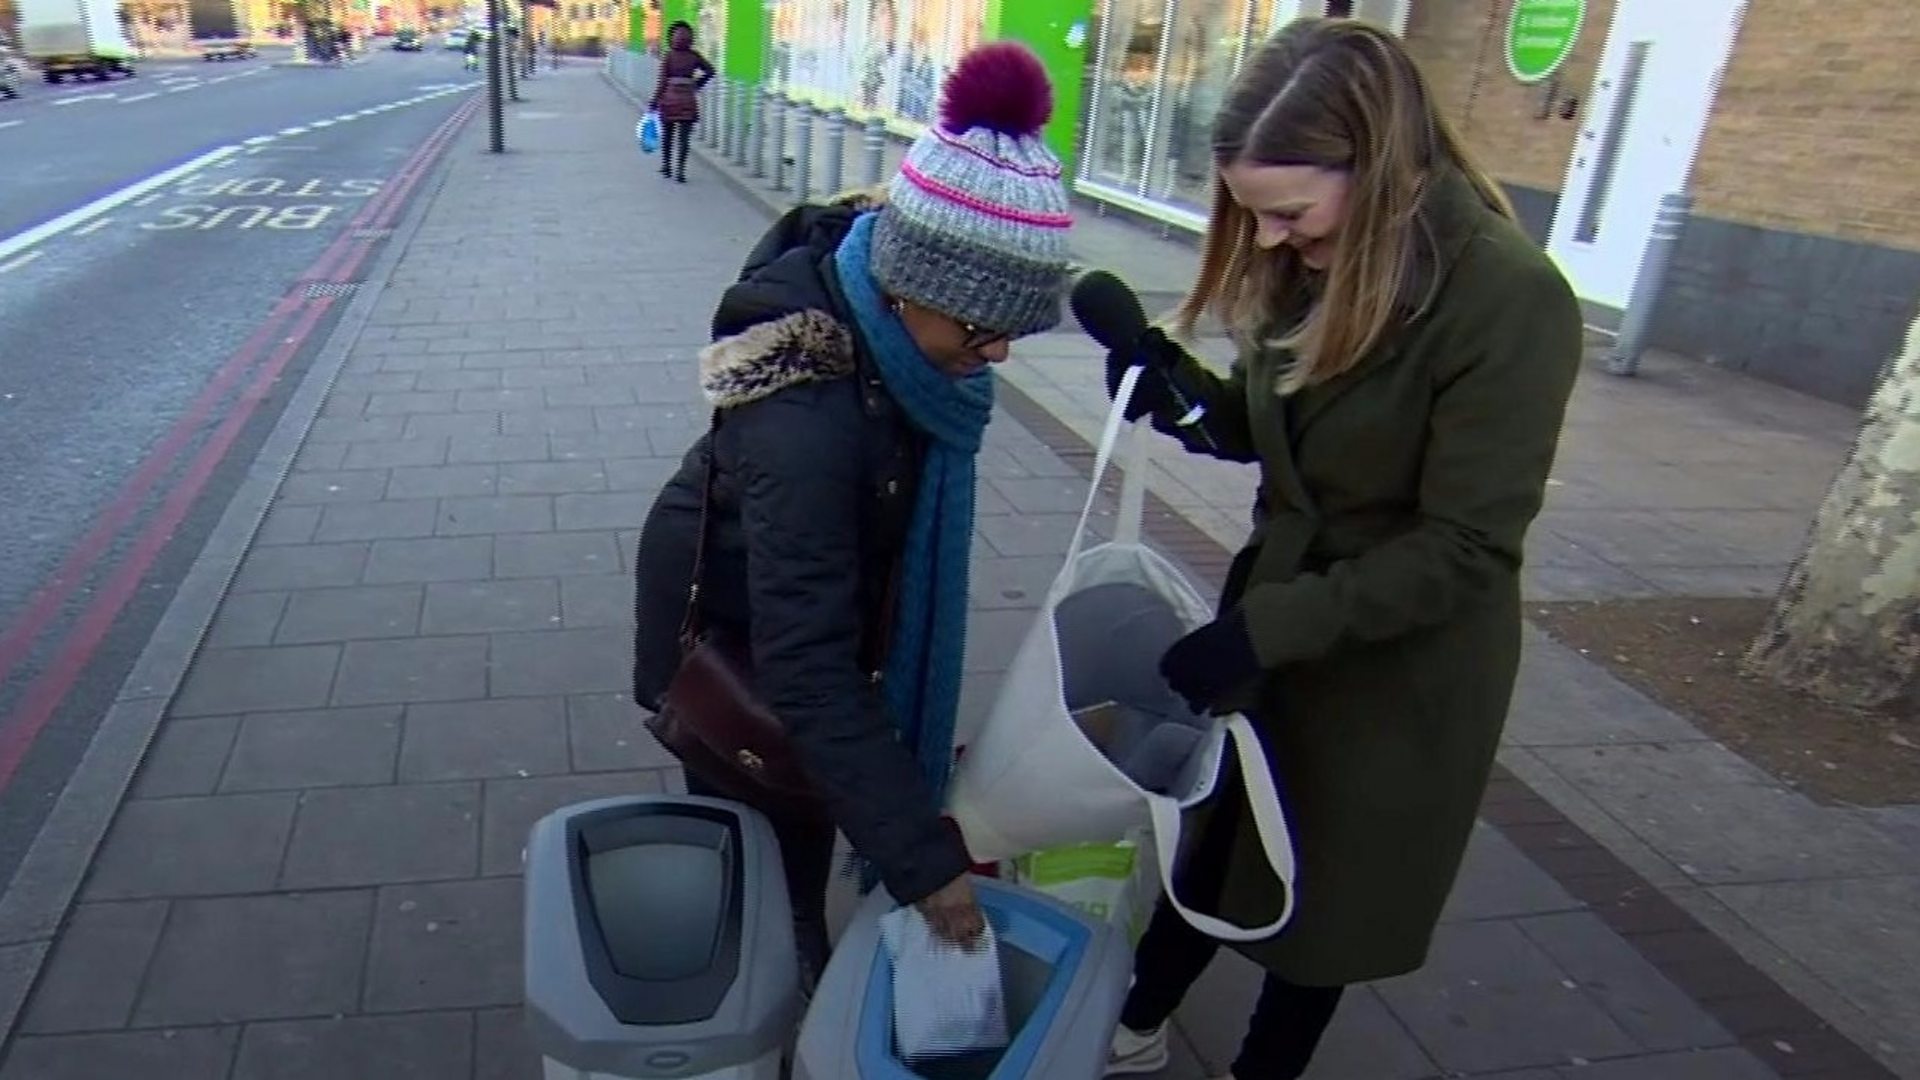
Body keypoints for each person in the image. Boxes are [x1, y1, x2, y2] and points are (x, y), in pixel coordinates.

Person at [1099, 18, 1585, 1080]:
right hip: (1285, 623)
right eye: (1250, 214)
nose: (1269, 240)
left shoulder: (1507, 298)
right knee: (1220, 842)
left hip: (1395, 665)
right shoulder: (1317, 263)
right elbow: (1292, 434)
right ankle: (1136, 1018)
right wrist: (1186, 396)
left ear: (1381, 164)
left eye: (1288, 213)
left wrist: (1266, 631)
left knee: (1326, 902)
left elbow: (1467, 545)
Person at [632, 42, 1072, 989]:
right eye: (979, 327)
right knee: (771, 866)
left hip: (793, 611)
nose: (996, 355)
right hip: (731, 644)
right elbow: (807, 669)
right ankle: (772, 1018)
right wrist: (923, 862)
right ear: (913, 285)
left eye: (1014, 333)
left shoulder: (896, 331)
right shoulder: (806, 421)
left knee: (812, 811)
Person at [649, 21, 715, 183]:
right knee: (684, 138)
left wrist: (654, 100)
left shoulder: (669, 56)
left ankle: (666, 167)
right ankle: (680, 171)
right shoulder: (694, 56)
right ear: (690, 38)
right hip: (687, 100)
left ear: (672, 38)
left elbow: (662, 82)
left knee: (668, 136)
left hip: (669, 99)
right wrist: (697, 84)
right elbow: (710, 71)